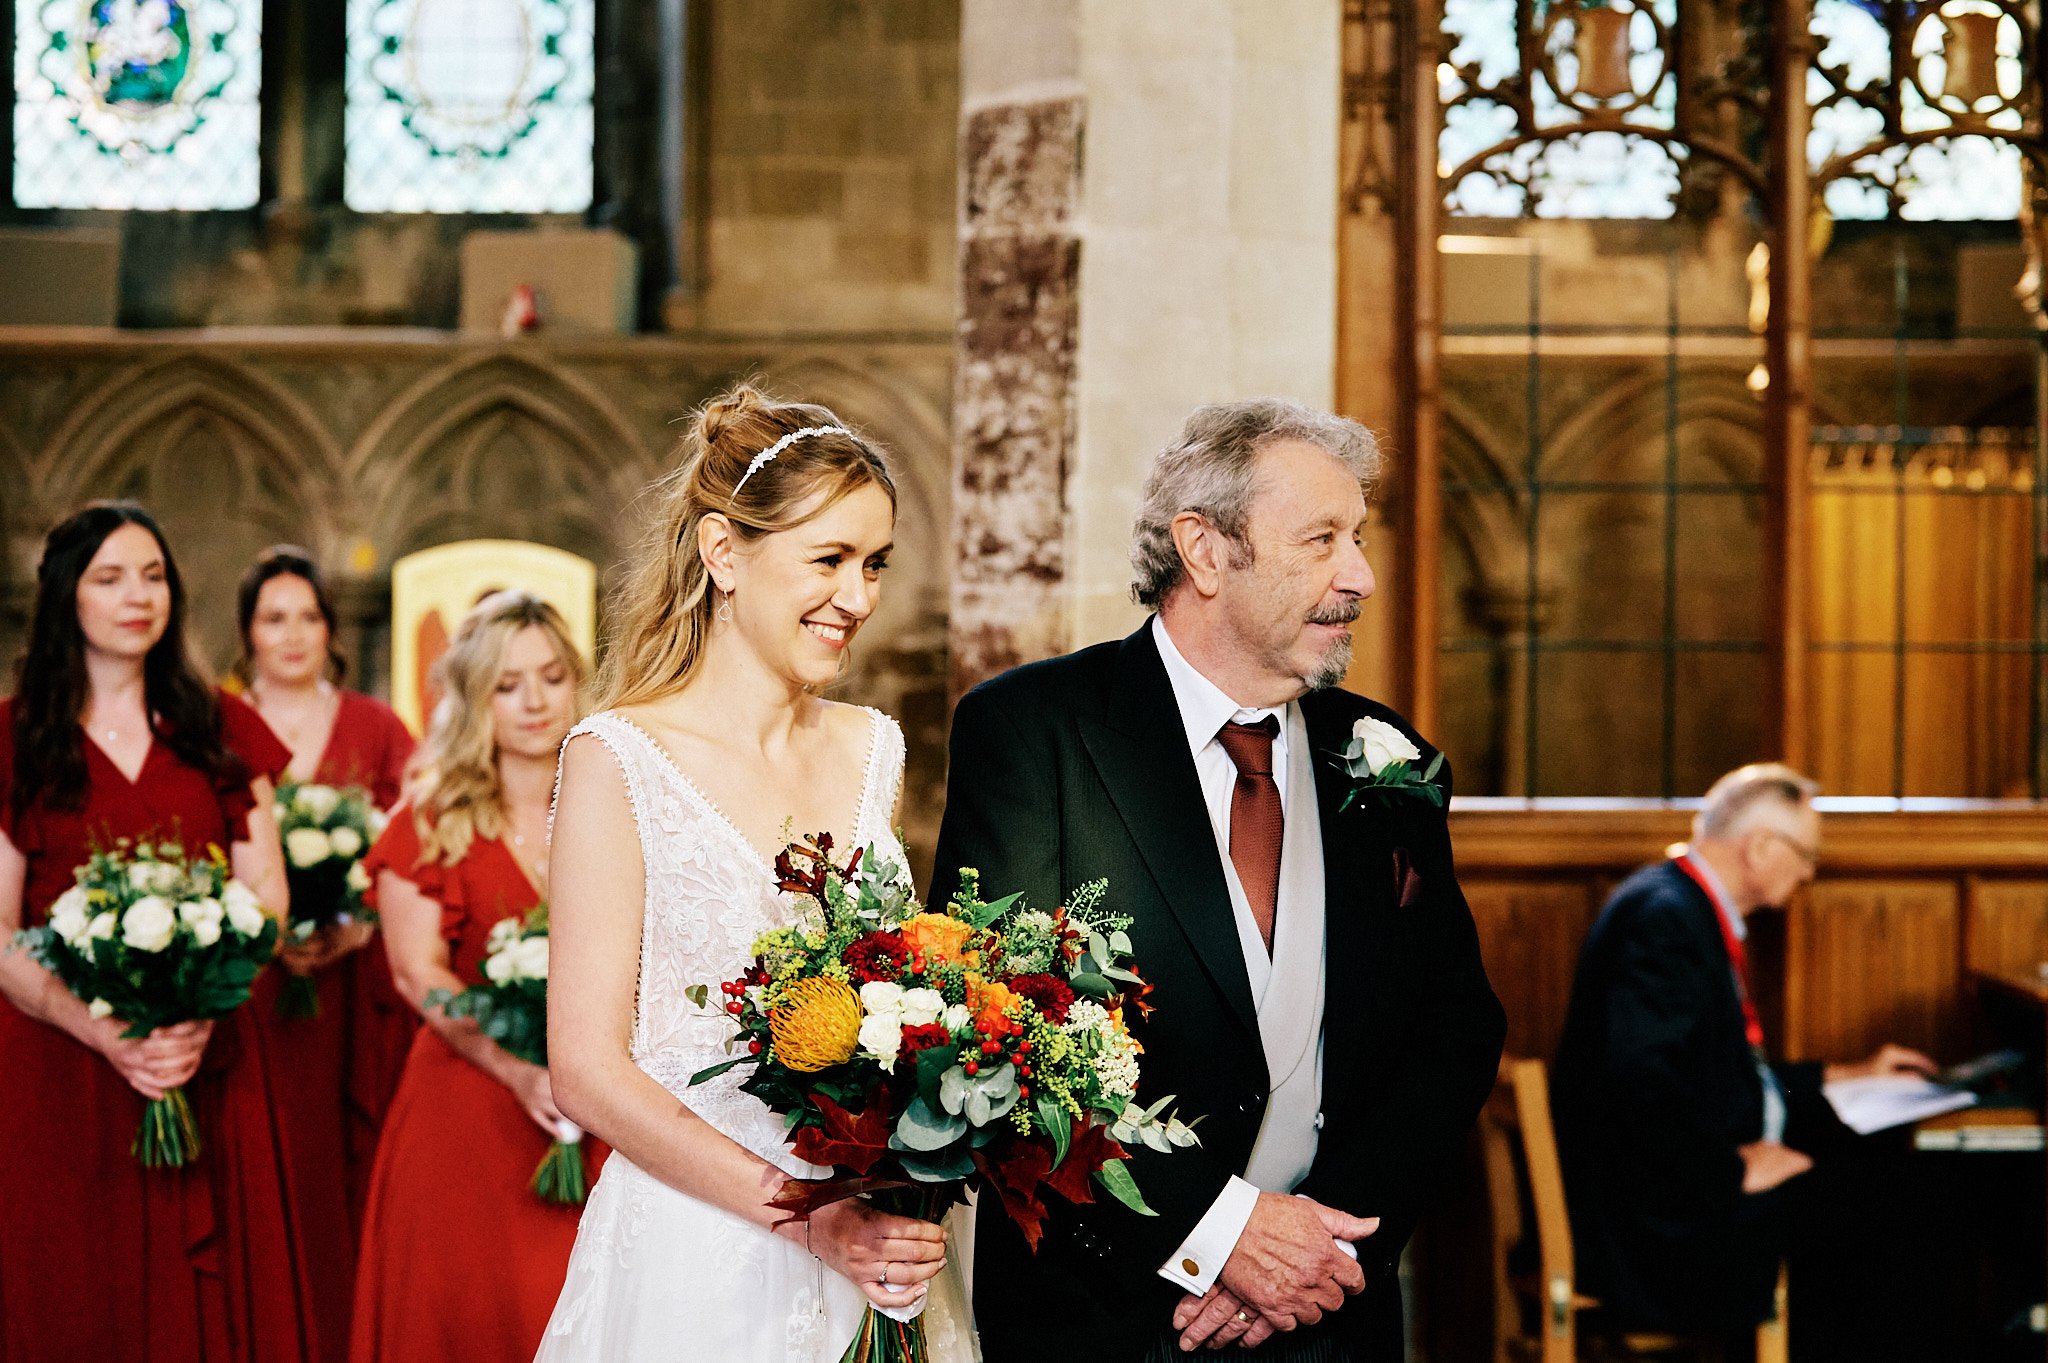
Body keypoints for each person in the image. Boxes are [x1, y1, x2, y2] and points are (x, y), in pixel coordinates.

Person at [933, 398, 1507, 1361]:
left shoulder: (1389, 757)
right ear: (1203, 550)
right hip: (1112, 1311)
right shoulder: (1035, 733)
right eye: (1322, 539)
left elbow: (1455, 1029)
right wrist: (1217, 1235)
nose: (1360, 576)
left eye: (1357, 538)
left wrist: (1323, 1243)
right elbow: (998, 1036)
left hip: (1331, 1314)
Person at [537, 385, 974, 1361]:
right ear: (722, 552)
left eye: (873, 564)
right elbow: (587, 1067)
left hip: (878, 1256)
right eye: (827, 560)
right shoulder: (618, 758)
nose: (857, 598)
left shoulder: (873, 748)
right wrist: (806, 1218)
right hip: (698, 1260)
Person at [0, 501, 316, 1362]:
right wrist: (105, 1031)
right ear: (67, 596)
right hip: (59, 1065)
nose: (138, 596)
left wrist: (202, 1005)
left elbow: (266, 894)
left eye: (153, 576)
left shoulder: (221, 726)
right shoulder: (13, 738)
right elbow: (0, 931)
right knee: (73, 1291)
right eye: (110, 578)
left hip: (208, 1053)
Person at [1552, 763, 1935, 1352]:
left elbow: (1716, 1074)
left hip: (1668, 1182)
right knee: (1895, 1207)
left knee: (1881, 1174)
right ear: (1759, 847)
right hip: (1654, 1219)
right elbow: (1636, 1085)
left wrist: (1851, 1074)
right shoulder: (1664, 919)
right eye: (1806, 855)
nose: (1809, 873)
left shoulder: (1681, 904)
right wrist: (1732, 1170)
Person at [349, 591, 605, 1363]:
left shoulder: (617, 805)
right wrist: (516, 1066)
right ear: (473, 698)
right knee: (468, 1311)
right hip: (466, 1111)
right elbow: (414, 971)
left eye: (552, 676)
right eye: (506, 683)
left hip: (596, 1105)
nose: (534, 700)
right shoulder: (429, 819)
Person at [236, 545, 418, 1363]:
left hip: (354, 980)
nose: (293, 633)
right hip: (254, 989)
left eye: (308, 615)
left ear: (331, 629)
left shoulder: (377, 727)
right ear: (247, 633)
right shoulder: (217, 723)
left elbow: (413, 845)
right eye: (275, 617)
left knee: (352, 1158)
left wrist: (362, 920)